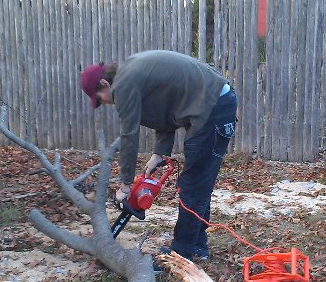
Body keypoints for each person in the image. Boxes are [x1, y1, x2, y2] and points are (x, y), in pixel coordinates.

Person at [80, 50, 238, 261]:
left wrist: (125, 185)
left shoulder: (124, 85)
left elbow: (129, 136)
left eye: (100, 98)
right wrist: (159, 153)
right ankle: (197, 247)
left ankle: (182, 252)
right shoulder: (132, 73)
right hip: (217, 101)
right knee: (199, 183)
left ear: (105, 83)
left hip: (213, 107)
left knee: (192, 184)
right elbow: (166, 111)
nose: (105, 104)